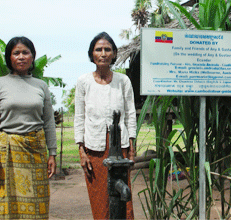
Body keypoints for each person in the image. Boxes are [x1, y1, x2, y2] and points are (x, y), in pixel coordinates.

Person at [0, 36, 57, 219]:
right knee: (6, 203)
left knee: (37, 204)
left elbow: (48, 122)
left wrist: (52, 153)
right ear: (9, 58)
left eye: (25, 52)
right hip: (7, 153)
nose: (21, 57)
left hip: (36, 151)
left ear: (32, 57)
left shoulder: (41, 86)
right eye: (16, 53)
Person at [74, 32, 136, 219]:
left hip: (120, 147)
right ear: (92, 54)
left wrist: (132, 147)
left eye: (107, 49)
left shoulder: (123, 81)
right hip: (94, 148)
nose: (103, 53)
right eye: (98, 49)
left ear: (114, 53)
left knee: (124, 199)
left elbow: (130, 114)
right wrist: (81, 151)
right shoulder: (83, 82)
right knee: (99, 199)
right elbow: (79, 117)